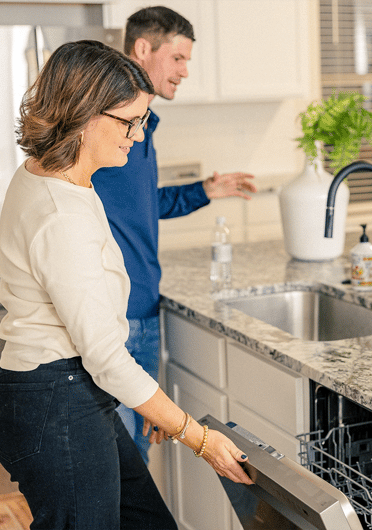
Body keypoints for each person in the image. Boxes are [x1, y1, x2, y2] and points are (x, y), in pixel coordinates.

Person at [0, 40, 252, 530]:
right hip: (55, 403)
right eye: (130, 121)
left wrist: (145, 399)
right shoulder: (59, 213)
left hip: (72, 393)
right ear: (85, 114)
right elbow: (104, 355)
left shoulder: (63, 178)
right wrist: (196, 438)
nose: (139, 133)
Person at [91, 6, 256, 464]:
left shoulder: (143, 128)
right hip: (116, 321)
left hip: (144, 309)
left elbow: (142, 203)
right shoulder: (106, 131)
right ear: (143, 49)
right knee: (123, 468)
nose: (186, 71)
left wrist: (204, 191)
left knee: (136, 459)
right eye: (178, 58)